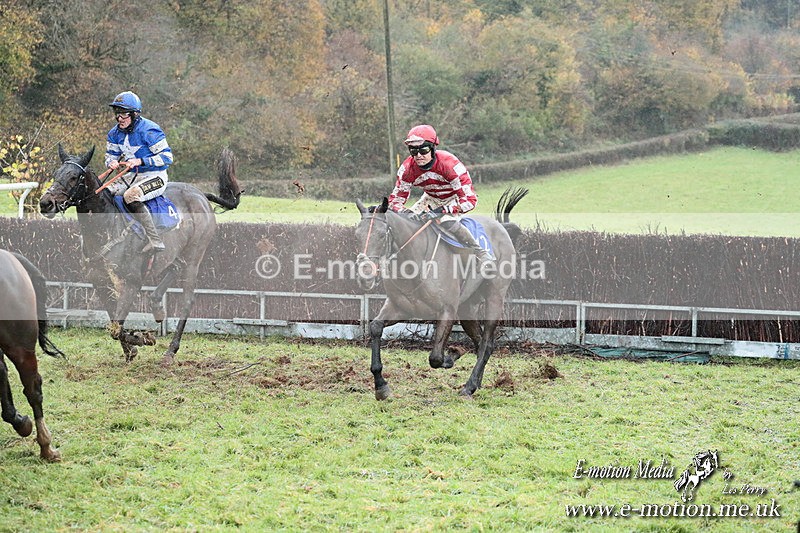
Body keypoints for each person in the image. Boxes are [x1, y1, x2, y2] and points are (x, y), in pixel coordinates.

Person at [388, 124, 493, 266]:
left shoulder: (450, 165)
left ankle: (481, 252)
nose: (418, 155)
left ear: (432, 148)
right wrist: (405, 212)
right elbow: (395, 200)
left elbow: (470, 200)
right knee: (406, 223)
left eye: (423, 150)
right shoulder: (407, 169)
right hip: (430, 198)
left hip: (454, 199)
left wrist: (442, 211)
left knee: (446, 221)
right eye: (413, 150)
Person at [104, 91, 173, 253]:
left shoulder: (150, 130)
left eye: (123, 114)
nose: (119, 118)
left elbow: (167, 157)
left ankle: (154, 239)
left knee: (130, 196)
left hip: (155, 175)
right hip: (131, 176)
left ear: (135, 114)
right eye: (117, 114)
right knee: (104, 192)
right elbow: (110, 156)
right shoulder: (114, 134)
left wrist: (141, 161)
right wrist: (111, 162)